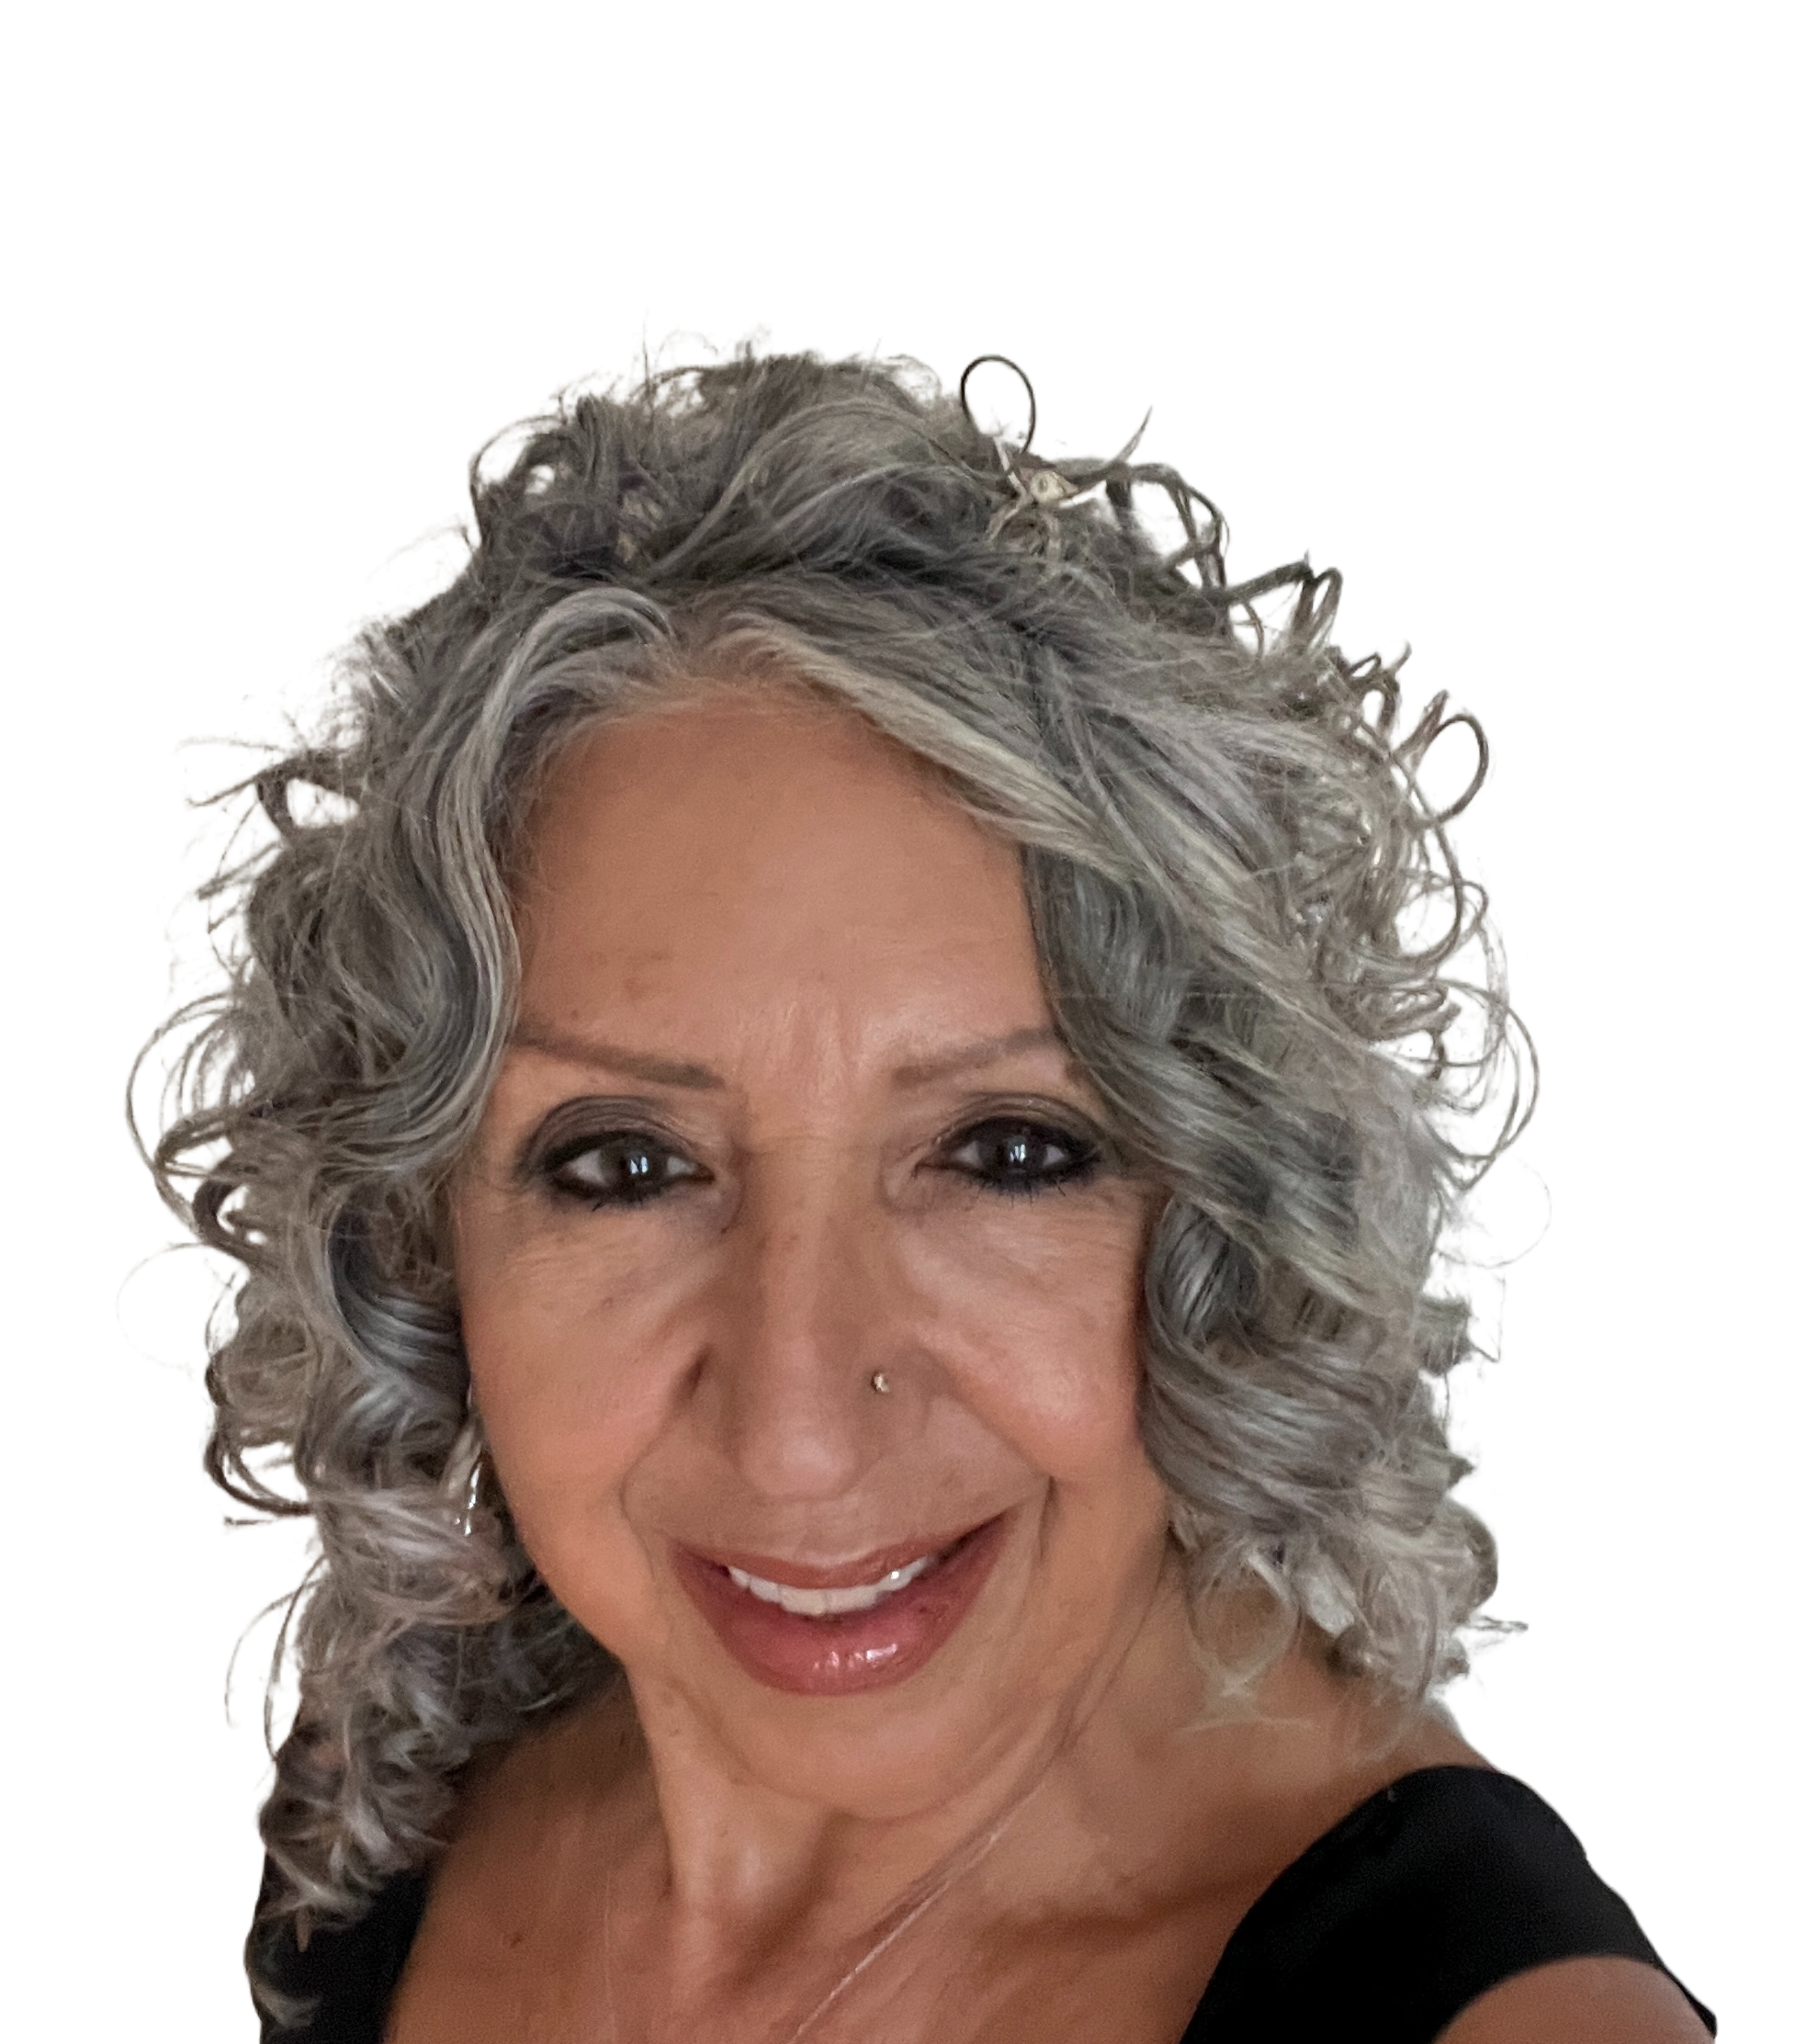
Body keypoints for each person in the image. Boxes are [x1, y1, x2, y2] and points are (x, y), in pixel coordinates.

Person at [149, 351, 1714, 2042]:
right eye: (626, 1166)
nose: (798, 1434)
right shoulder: (393, 1803)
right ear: (415, 1227)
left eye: (1004, 1154)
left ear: (1226, 1211)